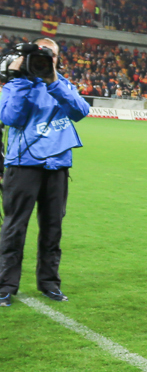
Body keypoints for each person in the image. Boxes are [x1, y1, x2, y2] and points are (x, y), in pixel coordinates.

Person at [0, 39, 89, 307]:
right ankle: (5, 286)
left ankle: (50, 283)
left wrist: (52, 81)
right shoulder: (15, 85)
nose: (45, 61)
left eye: (51, 56)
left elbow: (80, 111)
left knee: (53, 229)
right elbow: (11, 118)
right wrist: (20, 79)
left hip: (57, 166)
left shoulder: (62, 84)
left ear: (57, 59)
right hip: (23, 165)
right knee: (14, 228)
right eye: (38, 56)